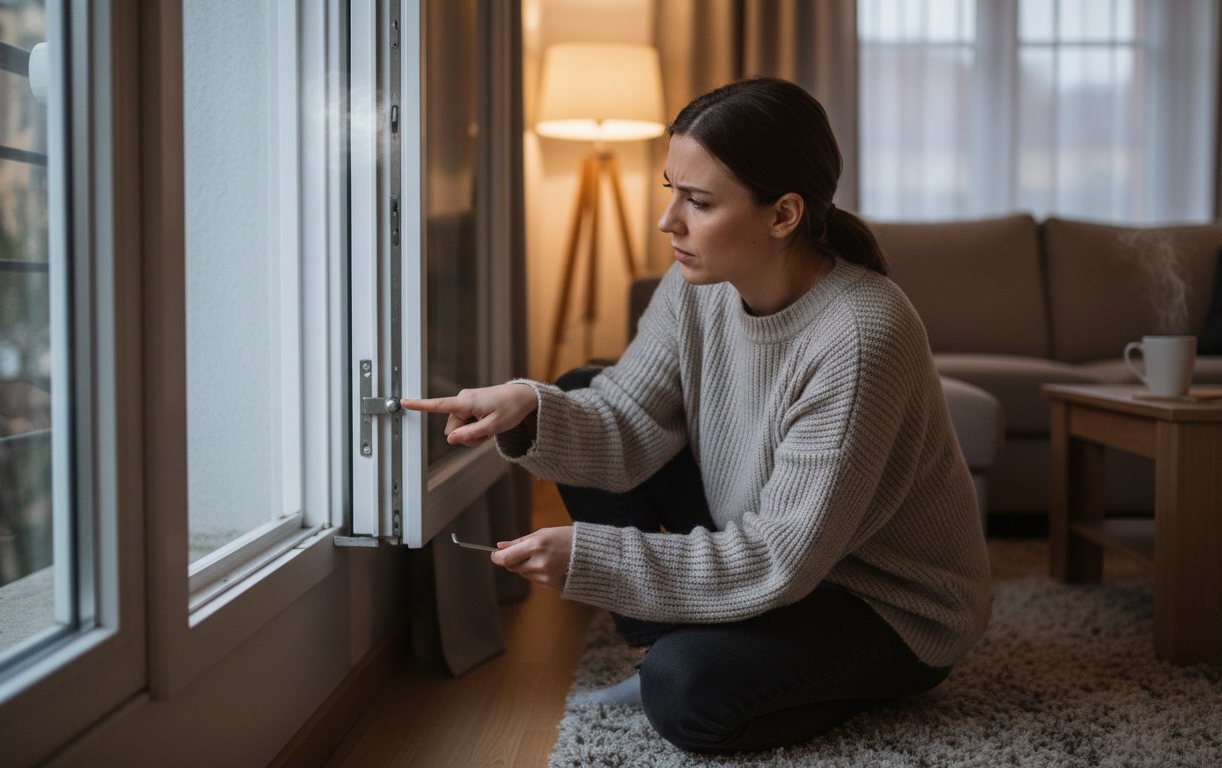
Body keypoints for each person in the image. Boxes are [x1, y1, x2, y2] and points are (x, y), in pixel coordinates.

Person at [402, 77, 991, 755]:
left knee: (685, 693)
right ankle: (677, 642)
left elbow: (781, 558)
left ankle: (688, 656)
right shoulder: (700, 287)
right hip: (779, 550)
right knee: (573, 392)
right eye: (670, 191)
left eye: (699, 201)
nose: (668, 222)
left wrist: (597, 557)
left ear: (784, 214)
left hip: (880, 602)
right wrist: (524, 409)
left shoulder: (860, 335)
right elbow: (623, 419)